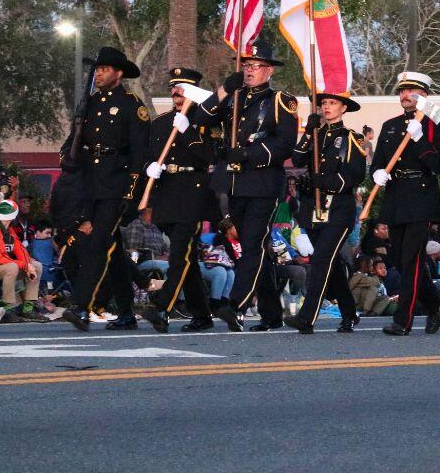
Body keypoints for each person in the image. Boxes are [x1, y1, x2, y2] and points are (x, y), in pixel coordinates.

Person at [181, 35, 297, 332]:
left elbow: (285, 144)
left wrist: (247, 152)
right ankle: (272, 314)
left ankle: (236, 305)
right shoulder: (233, 97)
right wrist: (223, 89)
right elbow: (201, 118)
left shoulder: (280, 101)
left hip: (262, 183)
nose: (250, 70)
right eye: (247, 64)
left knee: (253, 246)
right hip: (234, 184)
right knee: (250, 248)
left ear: (270, 70)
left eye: (257, 66)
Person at [139, 67, 238, 333]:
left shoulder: (206, 121)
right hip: (166, 194)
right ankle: (202, 314)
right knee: (187, 261)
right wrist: (150, 167)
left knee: (180, 255)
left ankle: (162, 307)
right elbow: (149, 154)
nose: (176, 92)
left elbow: (214, 158)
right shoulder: (160, 122)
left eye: (182, 88)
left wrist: (190, 133)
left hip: (193, 194)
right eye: (173, 87)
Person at [61, 46, 151, 332]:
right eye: (97, 69)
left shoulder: (131, 104)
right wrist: (68, 154)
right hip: (92, 184)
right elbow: (76, 140)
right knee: (111, 250)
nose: (98, 74)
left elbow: (140, 154)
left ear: (118, 73)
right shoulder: (90, 103)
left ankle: (82, 305)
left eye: (104, 69)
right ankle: (126, 311)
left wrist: (132, 192)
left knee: (98, 243)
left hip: (117, 184)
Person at [370, 70, 440, 336]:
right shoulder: (390, 125)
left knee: (412, 259)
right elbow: (379, 160)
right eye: (402, 91)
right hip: (396, 196)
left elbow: (439, 165)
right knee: (401, 260)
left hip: (421, 194)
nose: (405, 95)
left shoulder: (436, 123)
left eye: (412, 91)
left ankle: (403, 320)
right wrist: (378, 172)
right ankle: (433, 305)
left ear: (425, 95)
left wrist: (419, 140)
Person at [284, 91, 367, 334]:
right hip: (313, 208)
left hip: (339, 209)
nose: (327, 107)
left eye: (332, 103)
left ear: (344, 108)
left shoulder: (353, 138)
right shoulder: (315, 136)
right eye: (324, 103)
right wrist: (308, 133)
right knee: (330, 262)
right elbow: (298, 160)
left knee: (321, 259)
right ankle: (350, 313)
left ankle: (306, 317)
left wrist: (325, 181)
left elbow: (355, 174)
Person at [0, 200, 48, 322]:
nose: (6, 222)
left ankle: (28, 307)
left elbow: (20, 250)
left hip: (1, 269)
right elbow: (0, 258)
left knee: (37, 266)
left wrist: (28, 265)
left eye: (8, 220)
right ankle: (7, 307)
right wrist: (25, 265)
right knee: (12, 266)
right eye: (5, 219)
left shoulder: (9, 230)